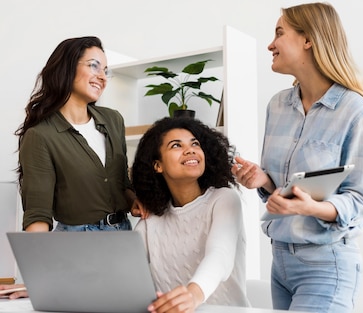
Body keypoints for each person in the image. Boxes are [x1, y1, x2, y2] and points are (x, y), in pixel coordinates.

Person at [231, 2, 363, 313]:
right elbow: (284, 190)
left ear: (309, 39)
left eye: (279, 33)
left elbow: (358, 204)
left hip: (326, 265)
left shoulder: (355, 111)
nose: (270, 44)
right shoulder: (277, 106)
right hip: (280, 263)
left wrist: (312, 207)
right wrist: (264, 180)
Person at [15, 36, 138, 233]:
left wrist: (135, 202)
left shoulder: (113, 120)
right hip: (78, 239)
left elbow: (122, 183)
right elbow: (38, 213)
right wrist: (38, 259)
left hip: (123, 232)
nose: (102, 77)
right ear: (68, 67)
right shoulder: (41, 136)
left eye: (106, 71)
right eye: (94, 66)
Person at [131, 117, 249, 312]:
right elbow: (127, 268)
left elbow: (220, 255)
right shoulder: (151, 219)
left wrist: (193, 295)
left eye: (195, 144)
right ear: (157, 165)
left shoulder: (224, 199)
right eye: (176, 145)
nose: (190, 150)